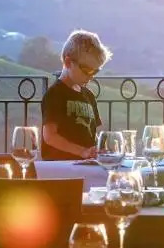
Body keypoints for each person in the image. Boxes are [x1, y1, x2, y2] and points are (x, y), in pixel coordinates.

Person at [40, 30, 112, 161]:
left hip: (84, 164)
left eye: (95, 71)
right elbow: (50, 137)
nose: (91, 76)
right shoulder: (55, 94)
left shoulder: (89, 96)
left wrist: (97, 150)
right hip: (59, 166)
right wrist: (82, 151)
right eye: (87, 70)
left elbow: (90, 135)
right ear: (68, 62)